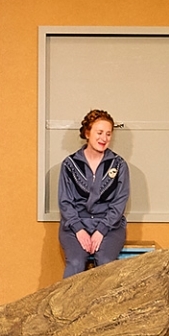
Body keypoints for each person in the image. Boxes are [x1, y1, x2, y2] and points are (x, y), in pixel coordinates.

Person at [57, 108, 130, 276]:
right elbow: (65, 202)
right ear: (87, 133)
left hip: (110, 227)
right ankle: (69, 296)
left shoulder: (119, 165)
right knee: (76, 263)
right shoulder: (69, 164)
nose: (104, 138)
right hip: (75, 226)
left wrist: (102, 230)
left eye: (108, 134)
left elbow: (119, 202)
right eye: (99, 132)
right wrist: (79, 229)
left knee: (105, 262)